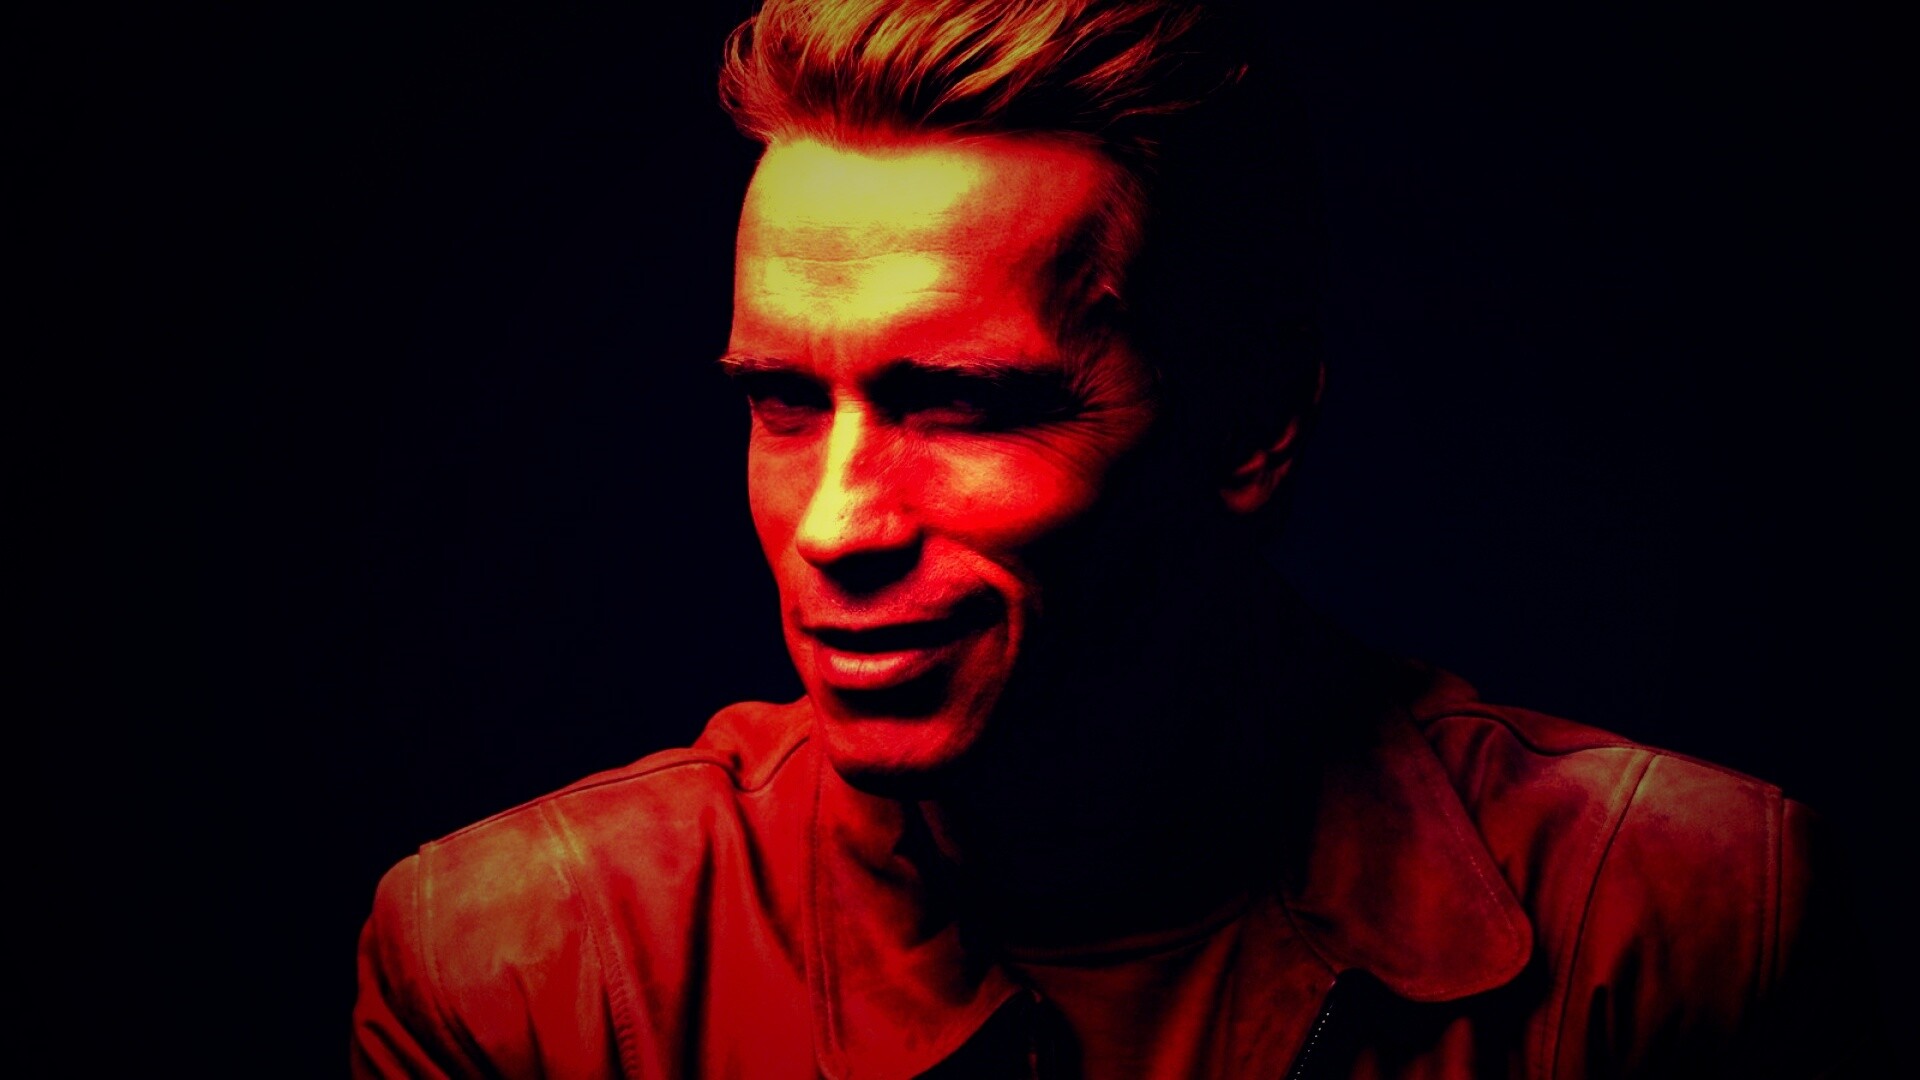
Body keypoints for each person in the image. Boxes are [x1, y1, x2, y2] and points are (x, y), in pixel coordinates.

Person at [351, 1, 1882, 1075]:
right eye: (783, 404)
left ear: (1250, 429)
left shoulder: (1682, 925)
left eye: (963, 407)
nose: (835, 525)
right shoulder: (528, 971)